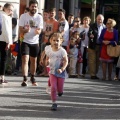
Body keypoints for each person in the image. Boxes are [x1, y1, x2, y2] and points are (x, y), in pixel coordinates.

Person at [19, 0, 43, 86]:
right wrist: (26, 30)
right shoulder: (23, 16)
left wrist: (38, 32)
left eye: (35, 7)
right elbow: (20, 29)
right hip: (25, 40)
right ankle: (25, 79)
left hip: (35, 42)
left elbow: (40, 29)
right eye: (32, 6)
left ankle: (32, 77)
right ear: (29, 7)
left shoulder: (39, 17)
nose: (34, 8)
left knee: (34, 60)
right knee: (25, 59)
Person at [45, 32, 68, 111]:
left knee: (60, 89)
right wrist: (46, 62)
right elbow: (47, 59)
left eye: (57, 41)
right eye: (54, 40)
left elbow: (66, 61)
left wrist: (62, 69)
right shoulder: (49, 50)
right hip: (52, 72)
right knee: (53, 87)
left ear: (61, 41)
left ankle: (60, 91)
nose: (56, 42)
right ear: (51, 41)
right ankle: (54, 103)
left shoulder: (62, 51)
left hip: (60, 73)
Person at [88, 14, 106, 79]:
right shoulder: (92, 25)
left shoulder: (104, 27)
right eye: (98, 19)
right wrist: (91, 34)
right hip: (93, 45)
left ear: (103, 20)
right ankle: (92, 74)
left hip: (100, 46)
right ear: (96, 19)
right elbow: (90, 32)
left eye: (101, 19)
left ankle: (95, 73)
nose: (99, 20)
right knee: (92, 60)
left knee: (98, 60)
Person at [0, 3, 13, 83]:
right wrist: (8, 42)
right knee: (3, 59)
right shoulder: (5, 17)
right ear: (5, 8)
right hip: (3, 40)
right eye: (9, 9)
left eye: (11, 10)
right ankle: (2, 77)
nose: (11, 11)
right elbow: (7, 31)